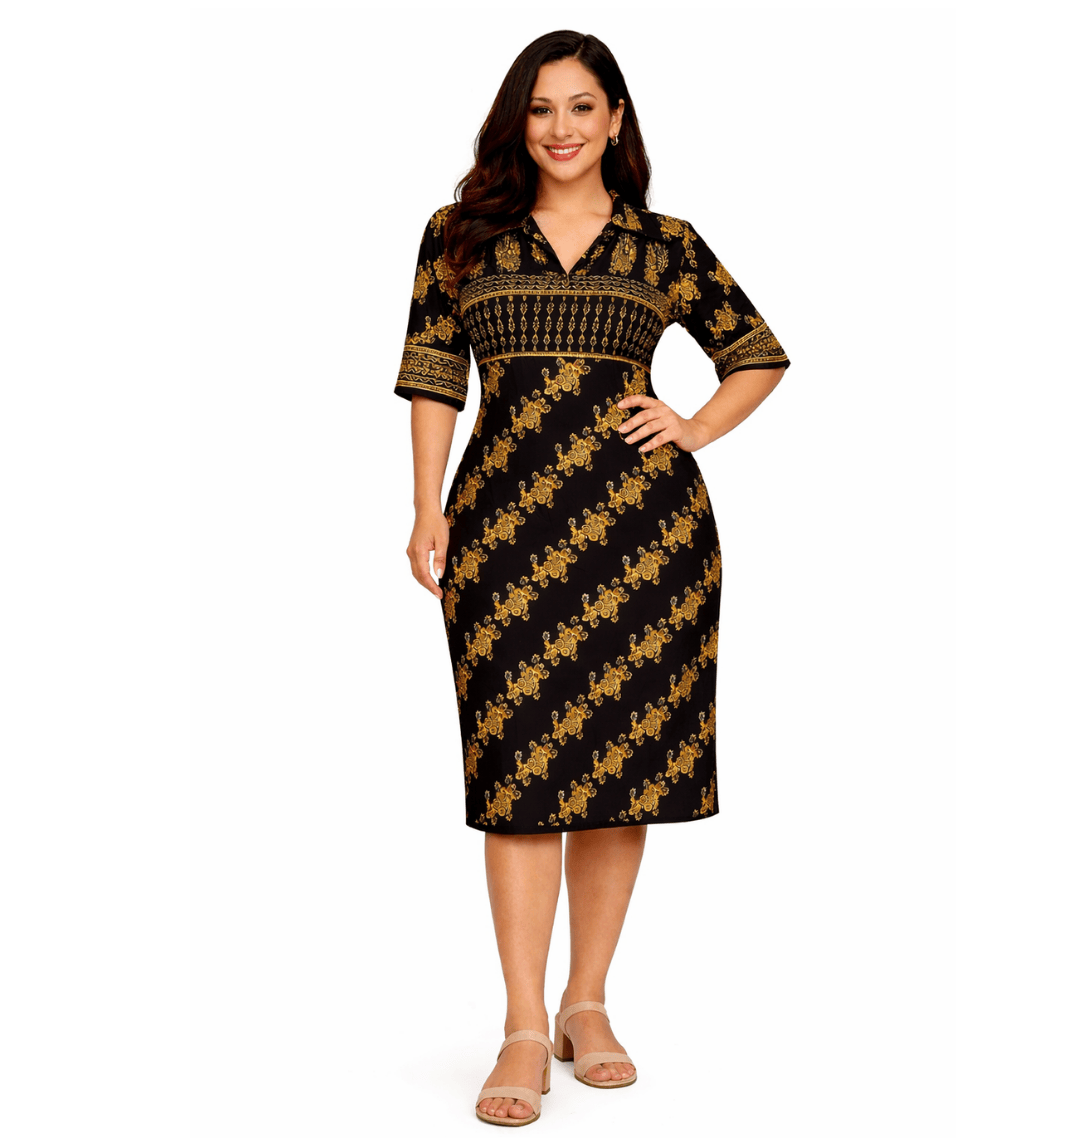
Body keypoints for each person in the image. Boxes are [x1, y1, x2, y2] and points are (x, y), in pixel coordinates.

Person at [393, 30, 790, 1127]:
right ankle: (524, 1025)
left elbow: (756, 352)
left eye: (580, 107)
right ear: (516, 123)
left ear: (616, 119)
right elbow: (433, 376)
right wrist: (426, 507)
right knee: (519, 775)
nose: (560, 128)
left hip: (646, 540)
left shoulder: (665, 245)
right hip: (504, 534)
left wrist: (693, 424)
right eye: (539, 109)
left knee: (623, 774)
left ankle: (587, 1003)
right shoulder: (461, 238)